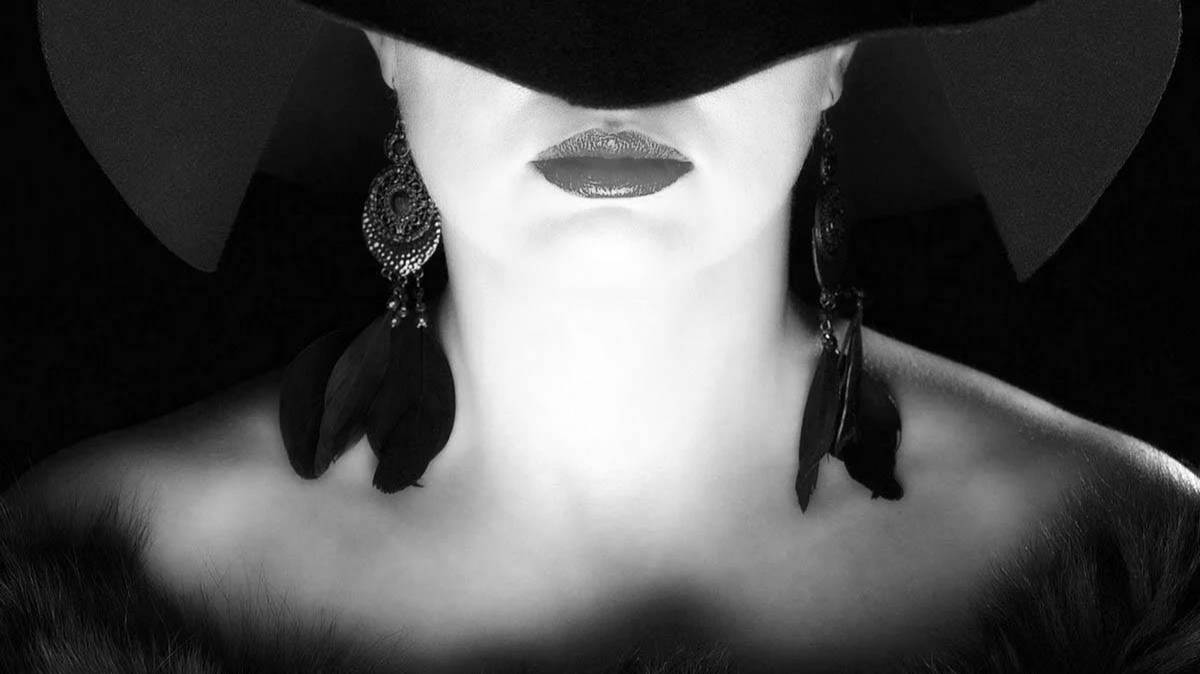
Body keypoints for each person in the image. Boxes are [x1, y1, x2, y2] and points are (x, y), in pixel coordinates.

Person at [4, 0, 1198, 671]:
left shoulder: (1143, 565)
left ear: (842, 48)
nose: (609, 90)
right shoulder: (77, 571)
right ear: (380, 38)